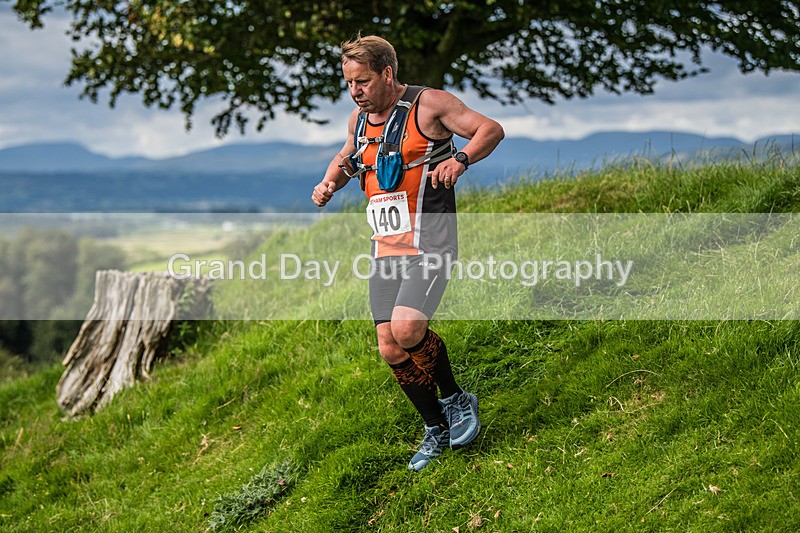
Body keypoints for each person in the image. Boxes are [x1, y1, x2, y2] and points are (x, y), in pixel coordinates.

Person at [311, 35, 504, 471]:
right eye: (348, 83)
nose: (355, 91)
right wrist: (329, 183)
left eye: (362, 81)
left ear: (387, 74)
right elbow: (347, 159)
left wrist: (461, 160)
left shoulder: (430, 104)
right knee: (390, 348)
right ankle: (435, 426)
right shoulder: (358, 121)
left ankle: (457, 399)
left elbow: (490, 129)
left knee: (408, 327)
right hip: (386, 248)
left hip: (431, 240)